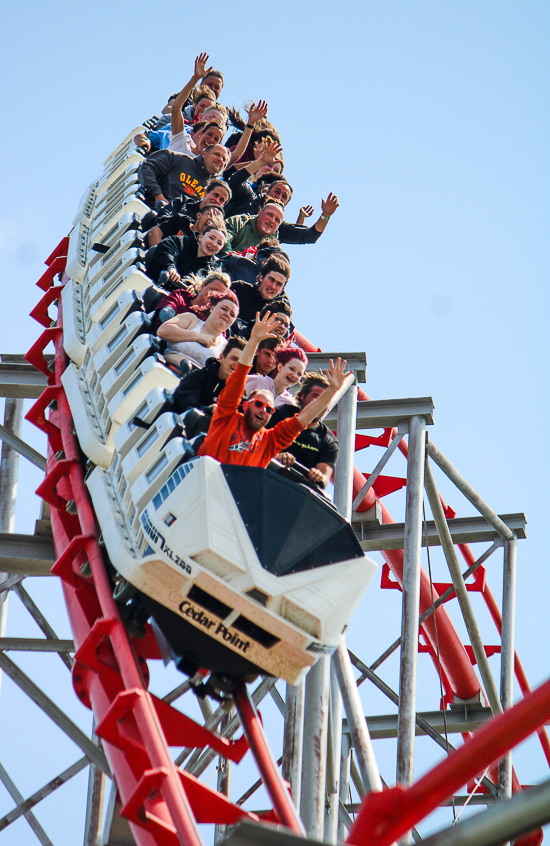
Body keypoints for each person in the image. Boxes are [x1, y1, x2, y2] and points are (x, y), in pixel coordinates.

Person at [197, 313, 349, 468]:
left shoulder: (268, 442)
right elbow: (239, 376)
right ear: (245, 405)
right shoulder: (226, 416)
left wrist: (332, 390)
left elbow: (304, 419)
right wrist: (254, 340)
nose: (263, 410)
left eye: (269, 409)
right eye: (258, 404)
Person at [269, 372, 340, 489]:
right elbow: (257, 443)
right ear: (303, 396)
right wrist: (277, 457)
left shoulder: (328, 441)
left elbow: (324, 478)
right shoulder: (281, 414)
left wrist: (318, 475)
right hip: (270, 477)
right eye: (316, 397)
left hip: (298, 491)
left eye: (324, 400)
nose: (319, 403)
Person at [157, 290, 239, 371]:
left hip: (190, 382)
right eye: (224, 308)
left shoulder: (226, 347)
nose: (227, 314)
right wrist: (198, 337)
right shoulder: (191, 319)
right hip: (164, 367)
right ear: (212, 308)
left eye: (232, 314)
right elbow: (162, 331)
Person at [225, 194, 340, 251]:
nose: (272, 221)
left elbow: (310, 236)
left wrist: (326, 215)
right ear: (260, 212)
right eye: (269, 215)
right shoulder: (240, 221)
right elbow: (224, 240)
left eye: (277, 220)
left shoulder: (273, 245)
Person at [171, 336, 246, 414]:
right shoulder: (198, 377)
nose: (237, 365)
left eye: (241, 363)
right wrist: (206, 409)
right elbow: (184, 400)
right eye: (234, 359)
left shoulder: (239, 394)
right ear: (221, 358)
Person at [146, 179, 232, 246]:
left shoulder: (216, 227)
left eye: (221, 200)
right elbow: (161, 219)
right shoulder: (183, 202)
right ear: (205, 193)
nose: (217, 200)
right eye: (215, 195)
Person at [138, 144, 230, 206]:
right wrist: (158, 195)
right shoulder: (177, 158)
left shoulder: (212, 190)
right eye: (217, 154)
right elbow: (146, 168)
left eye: (224, 159)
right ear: (204, 154)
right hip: (150, 208)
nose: (220, 159)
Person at [230, 256, 291, 339]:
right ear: (261, 277)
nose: (273, 286)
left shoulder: (278, 311)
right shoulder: (239, 289)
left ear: (282, 290)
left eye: (279, 284)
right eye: (271, 280)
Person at [145, 221, 227, 284]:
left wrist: (196, 287)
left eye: (219, 243)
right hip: (153, 282)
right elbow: (167, 251)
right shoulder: (179, 242)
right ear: (201, 237)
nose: (213, 244)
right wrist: (171, 268)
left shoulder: (212, 270)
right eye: (211, 238)